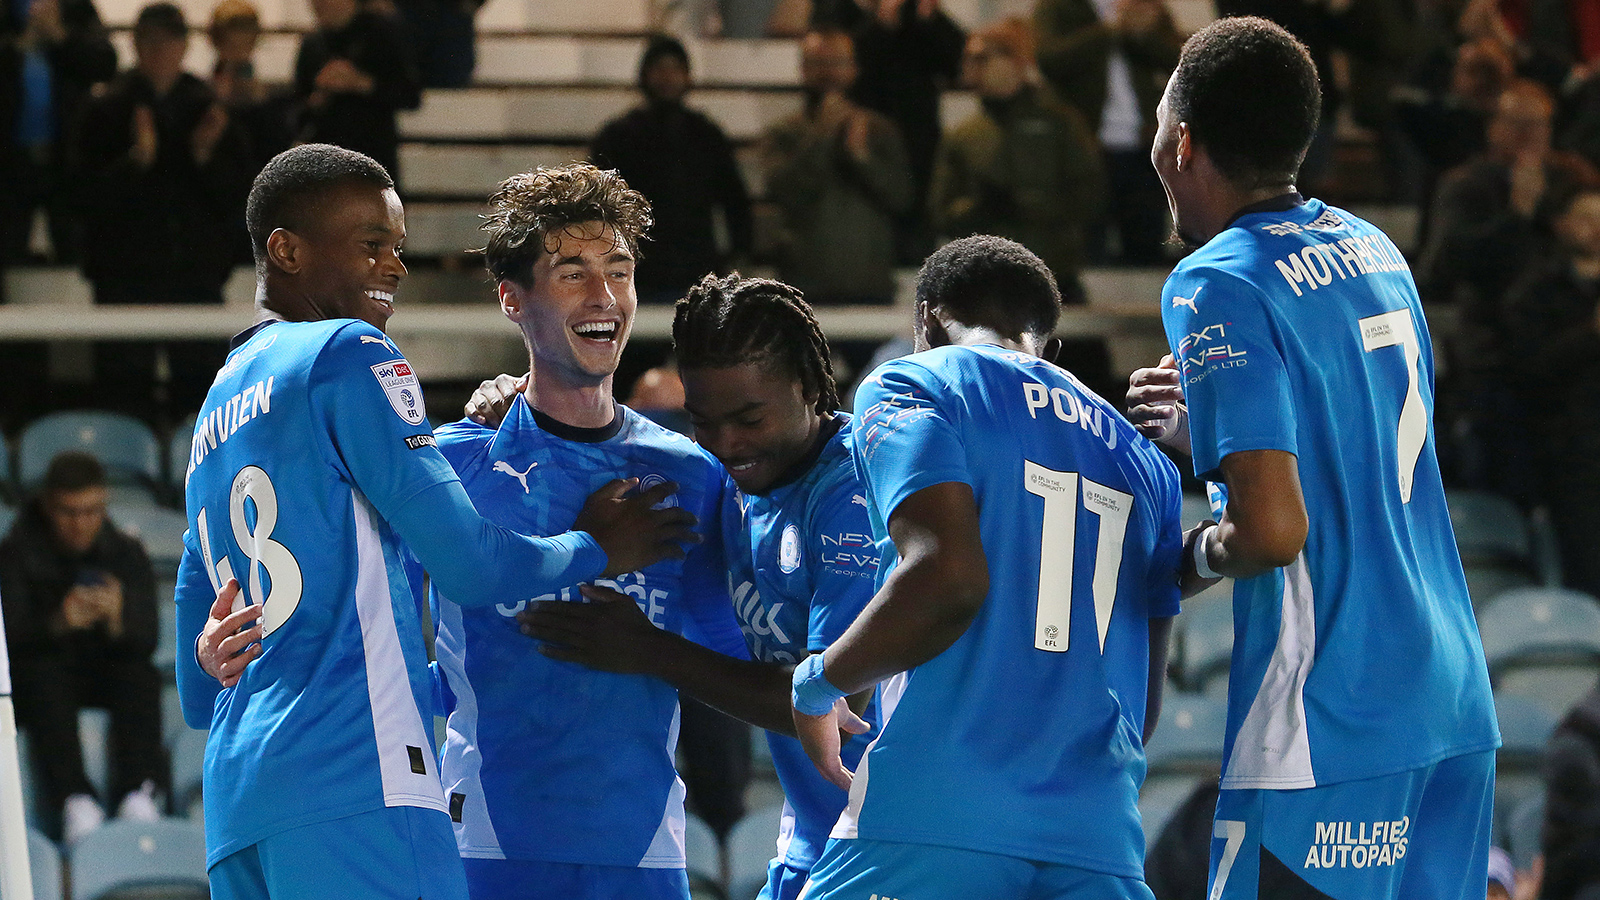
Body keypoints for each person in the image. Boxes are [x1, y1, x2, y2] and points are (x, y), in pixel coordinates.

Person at [175, 144, 699, 900]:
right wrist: (594, 546)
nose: (394, 266)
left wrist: (210, 655)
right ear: (285, 250)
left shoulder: (215, 409)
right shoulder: (350, 352)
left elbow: (199, 692)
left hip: (240, 803)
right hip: (362, 779)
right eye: (371, 245)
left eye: (398, 246)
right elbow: (471, 567)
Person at [1127, 16, 1500, 899]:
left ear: (1182, 141)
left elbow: (1271, 531)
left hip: (1332, 720)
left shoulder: (1216, 279)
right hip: (1452, 698)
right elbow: (1354, 447)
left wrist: (1184, 558)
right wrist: (1209, 434)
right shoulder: (1375, 248)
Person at [792, 234, 1194, 900]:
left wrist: (816, 683)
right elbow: (1143, 711)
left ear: (925, 319)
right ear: (1052, 350)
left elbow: (948, 579)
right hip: (1098, 838)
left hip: (937, 815)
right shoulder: (1145, 459)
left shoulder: (915, 381)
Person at [471, 271, 884, 900]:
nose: (726, 443)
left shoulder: (853, 498)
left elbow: (826, 706)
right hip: (814, 837)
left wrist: (644, 649)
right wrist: (526, 408)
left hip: (889, 838)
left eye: (747, 418)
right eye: (705, 421)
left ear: (805, 383)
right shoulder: (737, 482)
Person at [405, 163, 749, 900]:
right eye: (572, 273)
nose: (604, 297)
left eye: (618, 271)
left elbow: (731, 663)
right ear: (511, 299)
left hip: (645, 855)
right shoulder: (454, 464)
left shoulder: (691, 475)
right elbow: (390, 662)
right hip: (487, 851)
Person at [71, 1, 253, 420]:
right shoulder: (106, 107)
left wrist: (205, 155)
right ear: (135, 45)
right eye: (150, 42)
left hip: (193, 271)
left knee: (202, 399)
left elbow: (239, 198)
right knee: (122, 393)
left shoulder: (207, 107)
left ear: (185, 45)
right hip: (124, 272)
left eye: (169, 41)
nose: (160, 52)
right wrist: (136, 161)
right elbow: (82, 197)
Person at [0, 451, 166, 843]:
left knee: (140, 674)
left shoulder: (126, 552)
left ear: (104, 503)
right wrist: (59, 622)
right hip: (43, 676)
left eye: (91, 511)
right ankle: (73, 798)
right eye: (69, 512)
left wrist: (116, 618)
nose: (81, 524)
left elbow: (147, 640)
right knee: (42, 673)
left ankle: (137, 790)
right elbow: (9, 645)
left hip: (105, 669)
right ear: (47, 505)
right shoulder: (16, 553)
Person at [929, 17, 1105, 304]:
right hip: (986, 282)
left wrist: (1028, 204)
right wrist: (979, 207)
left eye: (981, 58)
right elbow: (940, 211)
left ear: (1014, 61)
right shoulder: (964, 135)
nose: (970, 66)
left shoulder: (1060, 124)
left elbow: (1090, 195)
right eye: (968, 58)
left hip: (1051, 275)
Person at [590, 35, 753, 304]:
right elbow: (597, 207)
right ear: (644, 76)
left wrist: (739, 254)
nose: (667, 78)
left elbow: (734, 200)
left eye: (675, 70)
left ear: (688, 77)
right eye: (659, 70)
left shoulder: (707, 135)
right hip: (636, 273)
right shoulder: (617, 137)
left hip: (697, 270)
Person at [760, 27, 913, 305]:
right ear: (803, 69)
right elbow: (785, 192)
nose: (828, 72)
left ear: (853, 69)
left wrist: (862, 158)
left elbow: (901, 197)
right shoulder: (783, 133)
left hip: (869, 284)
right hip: (805, 287)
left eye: (837, 63)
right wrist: (822, 135)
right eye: (819, 63)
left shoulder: (879, 130)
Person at [1033, 0, 1183, 265]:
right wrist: (1109, 31)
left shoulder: (1144, 5)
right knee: (1089, 246)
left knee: (1146, 246)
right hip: (1087, 147)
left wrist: (1142, 35)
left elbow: (1181, 59)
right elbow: (1049, 59)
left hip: (1145, 146)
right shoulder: (1059, 7)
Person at [0, 0, 115, 265]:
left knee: (74, 249)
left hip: (67, 157)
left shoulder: (76, 8)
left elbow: (105, 64)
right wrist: (17, 47)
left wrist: (60, 36)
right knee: (8, 248)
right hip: (9, 160)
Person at [292, 0, 420, 180]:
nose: (317, 4)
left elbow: (410, 96)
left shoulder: (381, 35)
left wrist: (361, 83)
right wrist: (318, 97)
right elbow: (298, 108)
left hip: (373, 153)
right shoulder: (312, 44)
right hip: (326, 158)